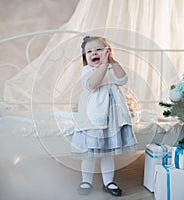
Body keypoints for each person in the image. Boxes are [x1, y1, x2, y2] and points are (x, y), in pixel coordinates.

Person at [70, 36, 137, 196]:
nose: (94, 53)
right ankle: (86, 181)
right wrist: (104, 65)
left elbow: (123, 79)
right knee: (90, 154)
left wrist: (112, 61)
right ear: (85, 57)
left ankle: (109, 182)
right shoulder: (88, 71)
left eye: (99, 49)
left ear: (107, 52)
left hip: (112, 120)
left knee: (107, 153)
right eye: (89, 51)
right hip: (93, 120)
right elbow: (93, 84)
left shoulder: (111, 69)